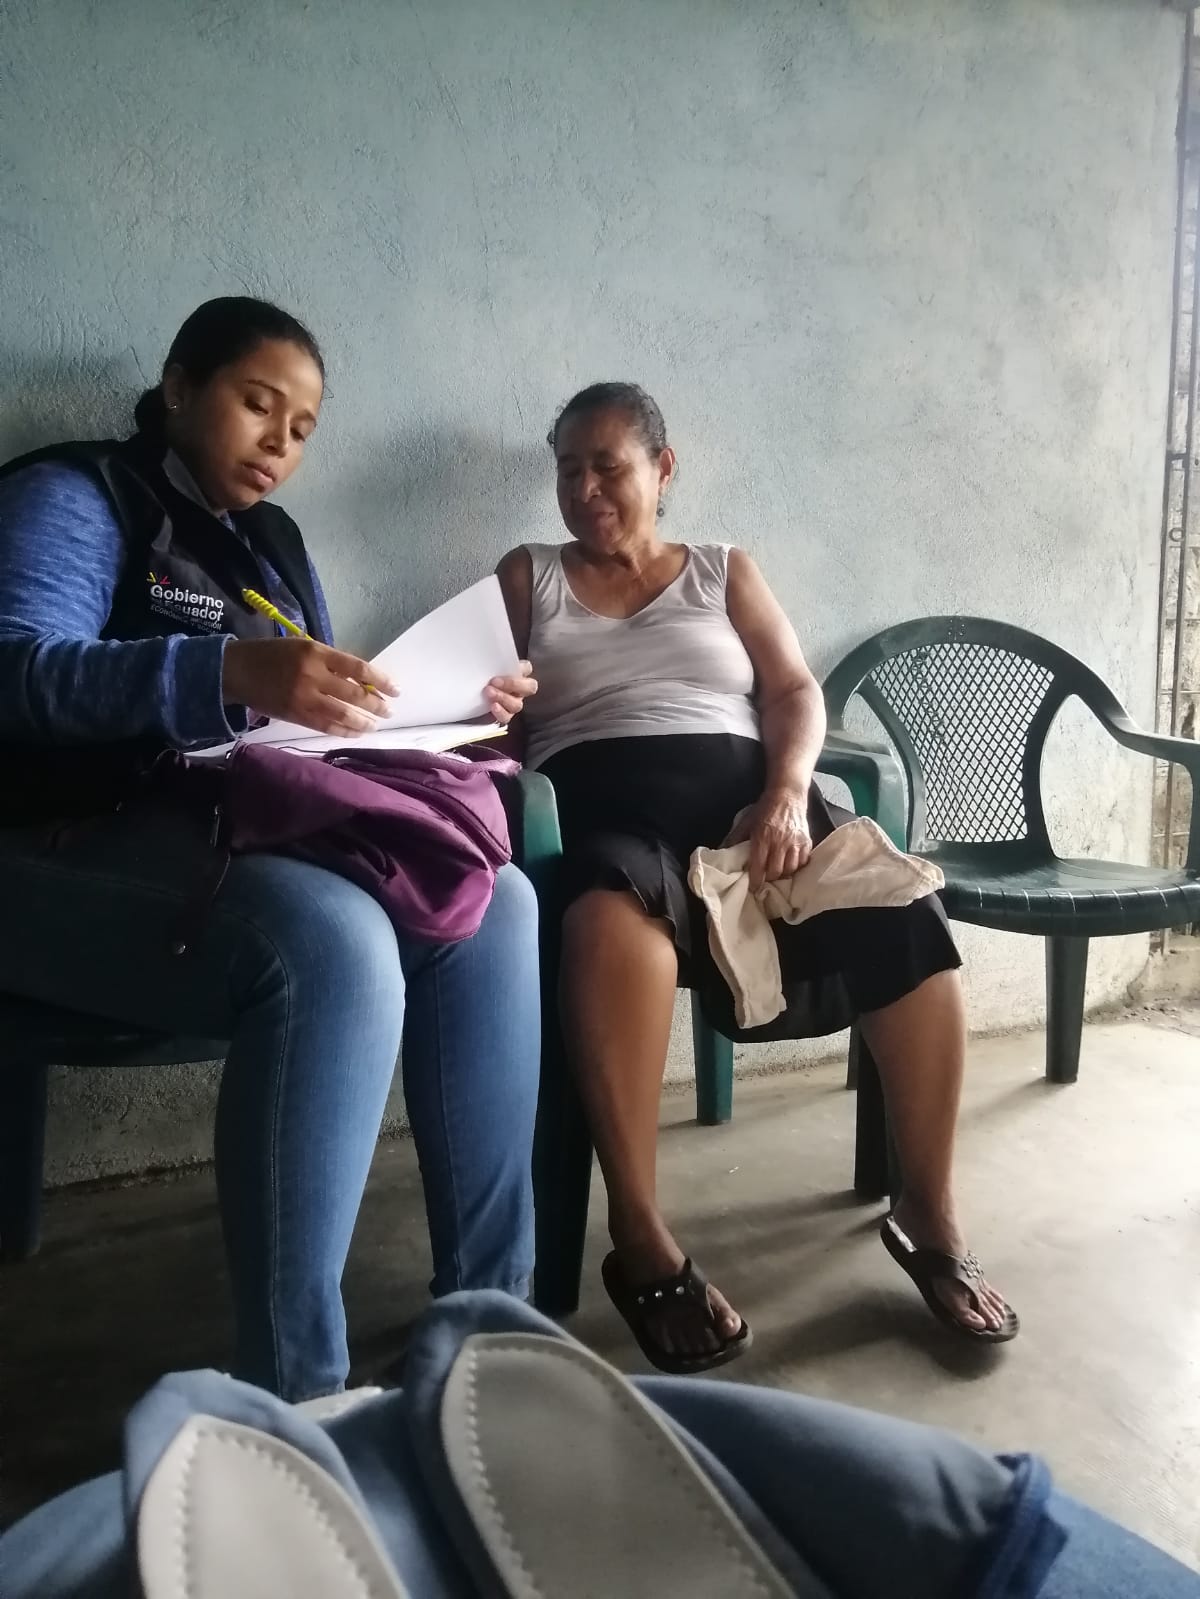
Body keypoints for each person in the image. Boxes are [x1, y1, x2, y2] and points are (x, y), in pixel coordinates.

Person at [0, 296, 541, 1402]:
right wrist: (227, 672)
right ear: (179, 386)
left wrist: (440, 704)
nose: (279, 444)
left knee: (497, 896)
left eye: (301, 429)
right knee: (331, 947)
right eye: (258, 404)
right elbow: (18, 674)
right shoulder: (82, 494)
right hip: (58, 840)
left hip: (217, 833)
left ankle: (494, 1319)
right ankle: (300, 1395)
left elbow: (312, 729)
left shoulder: (271, 545)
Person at [497, 381, 1017, 1375]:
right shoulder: (531, 576)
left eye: (608, 465)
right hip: (613, 826)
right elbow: (480, 710)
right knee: (603, 921)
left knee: (905, 908)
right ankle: (641, 1239)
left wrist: (785, 794)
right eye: (568, 470)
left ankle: (929, 1215)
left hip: (753, 818)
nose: (586, 488)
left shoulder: (720, 569)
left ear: (662, 469)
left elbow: (792, 690)